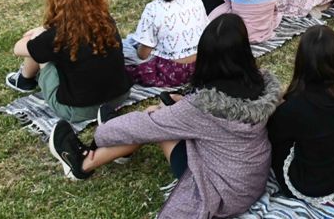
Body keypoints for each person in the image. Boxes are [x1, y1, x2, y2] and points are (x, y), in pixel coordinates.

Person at [56, 15, 279, 219]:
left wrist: (105, 131)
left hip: (222, 193)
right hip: (252, 179)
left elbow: (147, 126)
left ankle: (83, 163)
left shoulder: (200, 108)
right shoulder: (261, 86)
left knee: (153, 119)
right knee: (161, 116)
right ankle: (121, 148)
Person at [5, 0, 131, 122]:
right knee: (44, 48)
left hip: (77, 110)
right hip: (119, 98)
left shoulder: (57, 36)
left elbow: (18, 49)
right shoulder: (106, 22)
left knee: (37, 47)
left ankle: (24, 80)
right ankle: (25, 78)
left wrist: (39, 33)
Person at [269, 26, 334, 201]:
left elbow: (272, 133)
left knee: (275, 143)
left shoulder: (297, 106)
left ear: (302, 61)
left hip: (310, 185)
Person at [123, 0, 207, 88]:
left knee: (125, 49)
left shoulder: (153, 9)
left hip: (172, 73)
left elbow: (143, 54)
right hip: (200, 66)